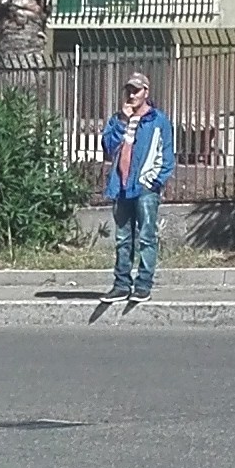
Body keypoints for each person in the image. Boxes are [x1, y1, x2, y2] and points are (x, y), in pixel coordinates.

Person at [100, 73, 172, 301]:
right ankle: (121, 284)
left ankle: (143, 284)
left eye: (136, 91)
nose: (132, 95)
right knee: (123, 239)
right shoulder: (118, 119)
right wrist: (122, 120)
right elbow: (108, 146)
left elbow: (167, 156)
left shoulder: (158, 121)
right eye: (129, 90)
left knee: (146, 237)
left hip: (145, 188)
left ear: (146, 93)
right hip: (121, 187)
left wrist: (152, 182)